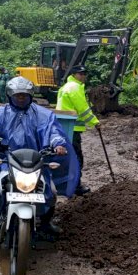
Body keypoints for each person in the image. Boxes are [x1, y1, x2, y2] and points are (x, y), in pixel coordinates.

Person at [0, 77, 79, 236]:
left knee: (50, 190)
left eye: (24, 95)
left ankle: (45, 223)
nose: (21, 98)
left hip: (35, 160)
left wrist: (58, 144)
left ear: (30, 96)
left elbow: (53, 131)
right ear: (10, 96)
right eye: (18, 95)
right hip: (6, 158)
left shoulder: (43, 114)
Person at [56, 65, 99, 195]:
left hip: (64, 127)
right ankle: (75, 186)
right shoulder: (74, 88)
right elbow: (83, 108)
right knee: (76, 158)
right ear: (74, 74)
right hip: (72, 128)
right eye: (80, 74)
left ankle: (65, 184)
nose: (83, 76)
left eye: (84, 73)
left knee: (66, 156)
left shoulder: (66, 87)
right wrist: (95, 122)